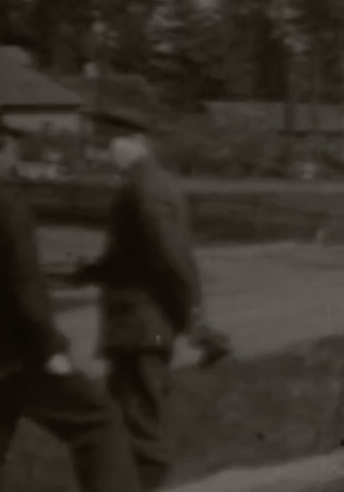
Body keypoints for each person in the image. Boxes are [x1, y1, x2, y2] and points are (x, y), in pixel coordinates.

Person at [0, 108, 141, 492]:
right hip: (16, 359)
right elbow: (26, 287)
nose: (15, 158)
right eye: (10, 150)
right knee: (100, 422)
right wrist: (51, 349)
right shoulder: (6, 207)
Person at [72, 124, 231, 491]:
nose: (107, 152)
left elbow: (169, 256)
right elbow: (142, 255)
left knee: (139, 416)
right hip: (142, 321)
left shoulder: (145, 189)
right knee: (129, 411)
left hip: (142, 322)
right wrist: (90, 272)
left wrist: (193, 315)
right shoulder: (149, 184)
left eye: (111, 143)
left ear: (134, 145)